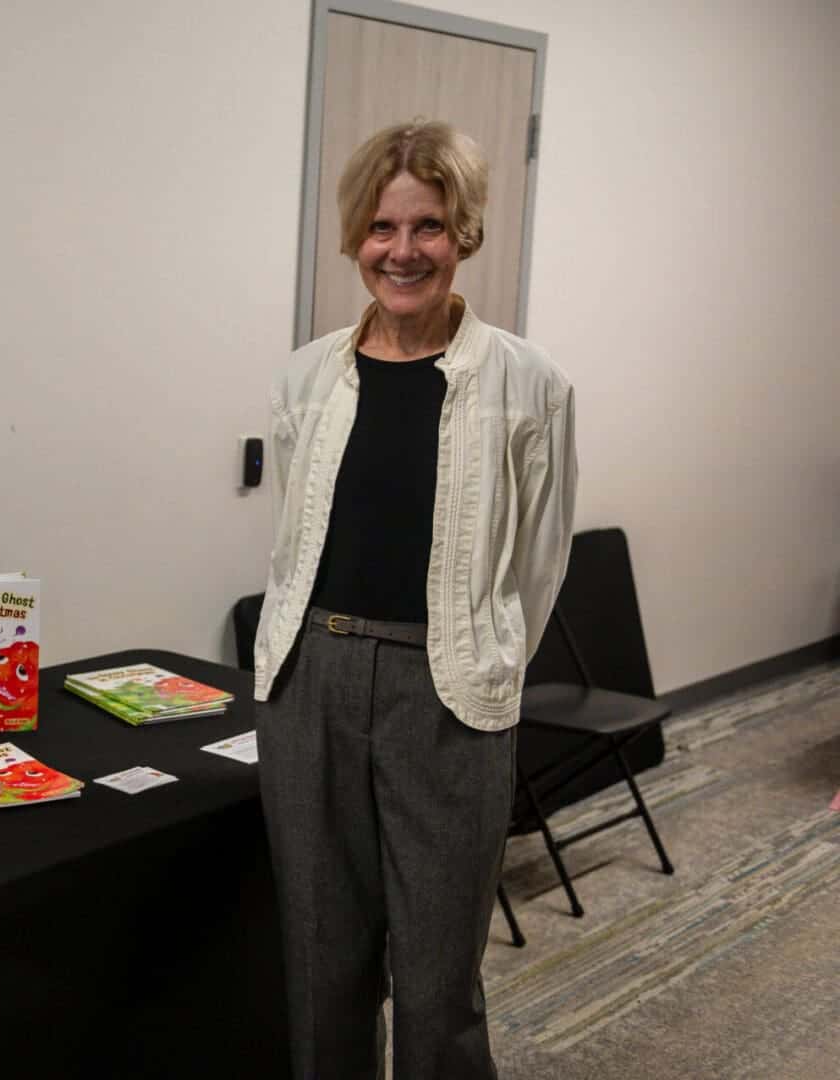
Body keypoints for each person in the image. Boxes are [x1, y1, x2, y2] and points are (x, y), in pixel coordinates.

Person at [252, 120, 577, 1079]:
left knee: (437, 975)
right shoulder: (307, 377)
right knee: (320, 960)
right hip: (309, 677)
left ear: (463, 233)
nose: (402, 252)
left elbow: (540, 565)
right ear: (358, 238)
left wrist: (486, 661)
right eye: (382, 229)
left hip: (445, 691)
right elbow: (294, 539)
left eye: (428, 226)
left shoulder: (529, 385)